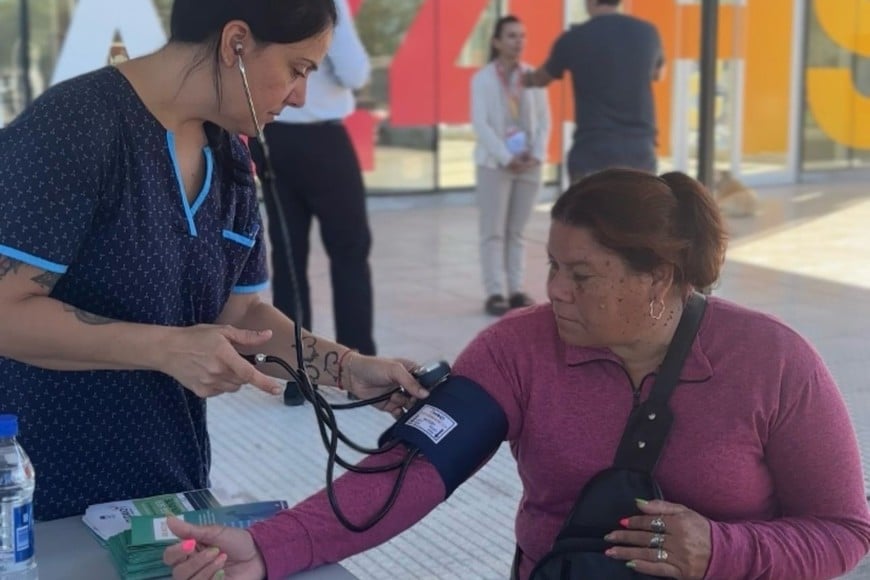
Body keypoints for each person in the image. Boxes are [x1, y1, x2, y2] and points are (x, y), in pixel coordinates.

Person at [164, 168, 870, 580]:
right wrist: (266, 547)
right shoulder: (517, 349)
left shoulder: (774, 362)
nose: (554, 290)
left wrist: (723, 550)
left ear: (659, 278)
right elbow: (407, 475)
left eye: (582, 275)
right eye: (553, 265)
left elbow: (844, 530)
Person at [0, 0, 429, 522]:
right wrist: (165, 348)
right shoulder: (72, 128)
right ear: (235, 43)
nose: (300, 97)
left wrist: (347, 368)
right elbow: (6, 310)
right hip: (38, 502)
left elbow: (240, 314)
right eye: (297, 70)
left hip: (168, 492)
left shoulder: (229, 155)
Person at [249, 0, 376, 407]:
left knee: (289, 257)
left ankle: (295, 373)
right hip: (323, 139)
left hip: (271, 135)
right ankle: (357, 365)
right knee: (350, 251)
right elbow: (355, 71)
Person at [523, 0, 664, 182]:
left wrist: (524, 78)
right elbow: (658, 74)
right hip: (639, 150)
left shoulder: (574, 38)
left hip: (592, 151)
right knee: (637, 201)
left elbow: (541, 78)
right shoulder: (648, 32)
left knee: (589, 201)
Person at [471, 15, 551, 317]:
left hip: (529, 164)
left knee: (517, 232)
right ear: (496, 42)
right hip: (495, 165)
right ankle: (495, 292)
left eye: (522, 36)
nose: (519, 41)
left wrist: (537, 154)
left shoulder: (533, 76)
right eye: (511, 36)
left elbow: (544, 121)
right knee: (493, 232)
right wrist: (507, 157)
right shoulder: (482, 79)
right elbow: (481, 124)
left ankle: (516, 289)